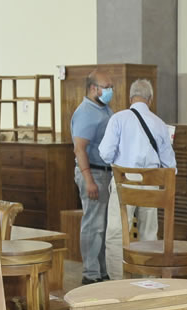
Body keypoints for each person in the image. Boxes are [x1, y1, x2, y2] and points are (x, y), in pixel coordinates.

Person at [98, 78, 176, 278]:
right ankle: (148, 280)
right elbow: (170, 166)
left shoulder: (118, 118)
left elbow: (105, 153)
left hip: (125, 179)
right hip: (152, 180)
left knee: (117, 232)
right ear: (150, 100)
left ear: (131, 98)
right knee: (149, 234)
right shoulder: (159, 124)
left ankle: (116, 280)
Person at [71, 69, 114, 285]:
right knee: (93, 224)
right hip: (93, 172)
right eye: (106, 87)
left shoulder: (103, 108)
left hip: (105, 172)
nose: (110, 91)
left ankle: (101, 270)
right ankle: (90, 272)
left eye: (110, 87)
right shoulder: (86, 112)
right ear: (93, 88)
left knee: (103, 226)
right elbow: (80, 149)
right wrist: (89, 180)